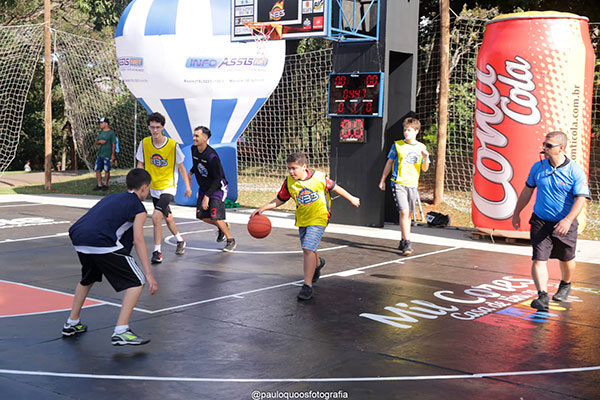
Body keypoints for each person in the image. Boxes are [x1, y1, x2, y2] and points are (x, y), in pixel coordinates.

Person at [63, 168, 158, 346]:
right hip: (99, 240)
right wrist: (149, 274)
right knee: (137, 281)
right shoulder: (138, 207)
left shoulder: (112, 197)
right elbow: (138, 240)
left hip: (78, 236)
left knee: (88, 278)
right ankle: (121, 330)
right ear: (144, 188)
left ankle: (71, 323)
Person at [252, 152, 360, 300]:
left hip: (320, 217)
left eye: (294, 168)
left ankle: (307, 286)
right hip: (303, 219)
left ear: (304, 167)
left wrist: (351, 198)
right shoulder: (289, 182)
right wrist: (263, 208)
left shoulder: (319, 178)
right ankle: (318, 263)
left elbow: (335, 187)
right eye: (289, 168)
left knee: (308, 248)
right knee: (310, 248)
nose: (291, 171)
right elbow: (280, 199)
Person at [512, 131, 589, 311]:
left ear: (561, 148)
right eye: (544, 145)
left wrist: (568, 220)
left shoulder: (575, 171)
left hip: (564, 223)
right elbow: (527, 191)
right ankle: (542, 295)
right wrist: (516, 213)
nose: (544, 148)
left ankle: (566, 283)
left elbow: (580, 199)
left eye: (549, 146)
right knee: (539, 259)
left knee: (566, 259)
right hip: (540, 221)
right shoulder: (538, 167)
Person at [136, 112, 192, 263]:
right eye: (152, 127)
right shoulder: (145, 143)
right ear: (149, 127)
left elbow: (181, 167)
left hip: (168, 187)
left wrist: (187, 186)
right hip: (154, 187)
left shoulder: (172, 145)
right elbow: (140, 164)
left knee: (156, 217)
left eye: (158, 127)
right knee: (168, 218)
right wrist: (139, 184)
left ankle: (157, 252)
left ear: (163, 127)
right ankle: (180, 240)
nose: (155, 130)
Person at [378, 117, 430, 255]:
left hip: (412, 184)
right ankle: (407, 241)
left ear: (416, 132)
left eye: (409, 130)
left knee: (409, 215)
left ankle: (402, 239)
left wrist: (425, 157)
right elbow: (389, 163)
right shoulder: (397, 145)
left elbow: (425, 168)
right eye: (405, 130)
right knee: (404, 212)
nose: (406, 133)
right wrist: (383, 180)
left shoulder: (421, 147)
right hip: (398, 183)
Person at [188, 126, 236, 252]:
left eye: (197, 136)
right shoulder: (193, 149)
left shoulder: (212, 156)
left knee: (216, 216)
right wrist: (190, 172)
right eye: (194, 135)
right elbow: (197, 164)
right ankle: (223, 227)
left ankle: (230, 240)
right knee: (202, 216)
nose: (194, 138)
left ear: (205, 138)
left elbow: (217, 178)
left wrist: (207, 196)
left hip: (218, 188)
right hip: (204, 187)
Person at [93, 117, 116, 191]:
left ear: (106, 124)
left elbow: (114, 144)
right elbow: (95, 143)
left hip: (107, 155)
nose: (100, 124)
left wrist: (113, 155)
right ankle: (99, 185)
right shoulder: (100, 132)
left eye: (101, 123)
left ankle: (106, 185)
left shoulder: (111, 133)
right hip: (100, 154)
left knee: (107, 170)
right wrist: (100, 141)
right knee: (97, 170)